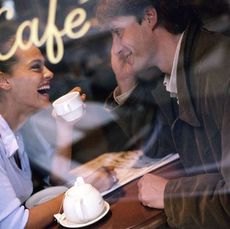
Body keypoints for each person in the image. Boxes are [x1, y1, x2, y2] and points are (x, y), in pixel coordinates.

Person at [96, 0, 230, 228]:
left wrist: (171, 194)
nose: (116, 49)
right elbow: (162, 145)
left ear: (149, 17)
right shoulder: (177, 69)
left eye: (118, 32)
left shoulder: (219, 72)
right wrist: (126, 84)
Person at [0, 24, 116, 228]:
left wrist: (65, 127)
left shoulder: (19, 127)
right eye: (36, 67)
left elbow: (55, 178)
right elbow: (17, 224)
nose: (49, 73)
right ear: (4, 80)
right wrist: (79, 192)